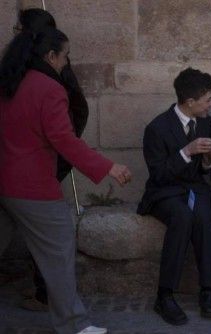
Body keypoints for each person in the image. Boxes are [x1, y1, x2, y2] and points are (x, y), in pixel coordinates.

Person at [0, 28, 131, 334]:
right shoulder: (48, 88)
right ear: (50, 56)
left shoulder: (9, 82)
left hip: (5, 183)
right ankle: (73, 325)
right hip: (32, 188)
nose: (66, 61)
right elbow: (64, 139)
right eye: (65, 55)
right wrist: (107, 166)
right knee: (58, 254)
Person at [5, 7, 91, 313]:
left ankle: (47, 296)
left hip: (37, 165)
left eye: (18, 29)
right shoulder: (27, 75)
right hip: (30, 170)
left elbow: (74, 116)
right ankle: (60, 308)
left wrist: (62, 158)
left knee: (47, 240)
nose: (14, 34)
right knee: (53, 241)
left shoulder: (49, 74)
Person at [137, 68, 211, 326]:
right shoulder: (157, 128)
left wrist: (209, 159)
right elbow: (159, 174)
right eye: (208, 99)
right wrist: (186, 151)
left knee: (205, 219)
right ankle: (165, 295)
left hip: (195, 189)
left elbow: (204, 170)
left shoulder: (206, 122)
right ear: (190, 102)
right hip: (164, 192)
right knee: (183, 217)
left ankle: (207, 290)